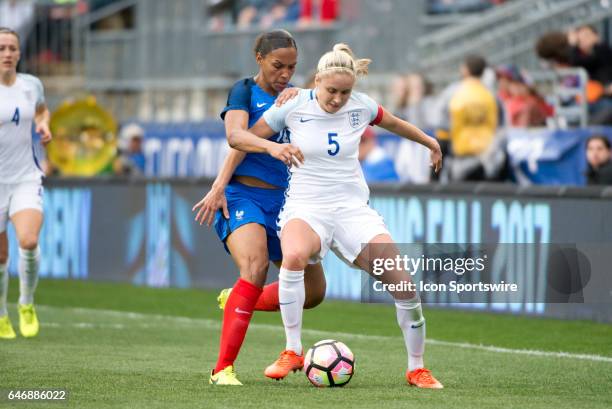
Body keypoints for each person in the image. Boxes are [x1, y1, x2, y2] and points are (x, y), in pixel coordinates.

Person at [228, 43, 444, 388]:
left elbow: (396, 123)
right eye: (331, 91)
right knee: (295, 255)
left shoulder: (361, 106)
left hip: (351, 210)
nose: (338, 99)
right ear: (317, 82)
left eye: (345, 92)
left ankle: (416, 367)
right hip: (306, 206)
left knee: (403, 284)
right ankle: (292, 350)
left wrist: (429, 142)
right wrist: (257, 158)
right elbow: (242, 140)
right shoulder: (294, 105)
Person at [191, 29, 326, 386]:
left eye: (292, 67)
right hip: (244, 196)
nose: (285, 74)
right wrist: (222, 183)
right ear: (259, 59)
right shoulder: (244, 91)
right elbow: (236, 137)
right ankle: (222, 370)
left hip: (288, 203)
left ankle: (237, 298)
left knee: (313, 293)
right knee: (256, 266)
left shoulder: (297, 98)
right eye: (278, 66)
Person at [0, 27, 52, 340]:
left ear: (19, 53)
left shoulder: (31, 85)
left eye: (11, 48)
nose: (6, 53)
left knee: (29, 240)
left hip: (24, 177)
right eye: (1, 48)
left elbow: (42, 112)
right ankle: (1, 315)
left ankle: (26, 303)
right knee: (1, 257)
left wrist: (44, 126)